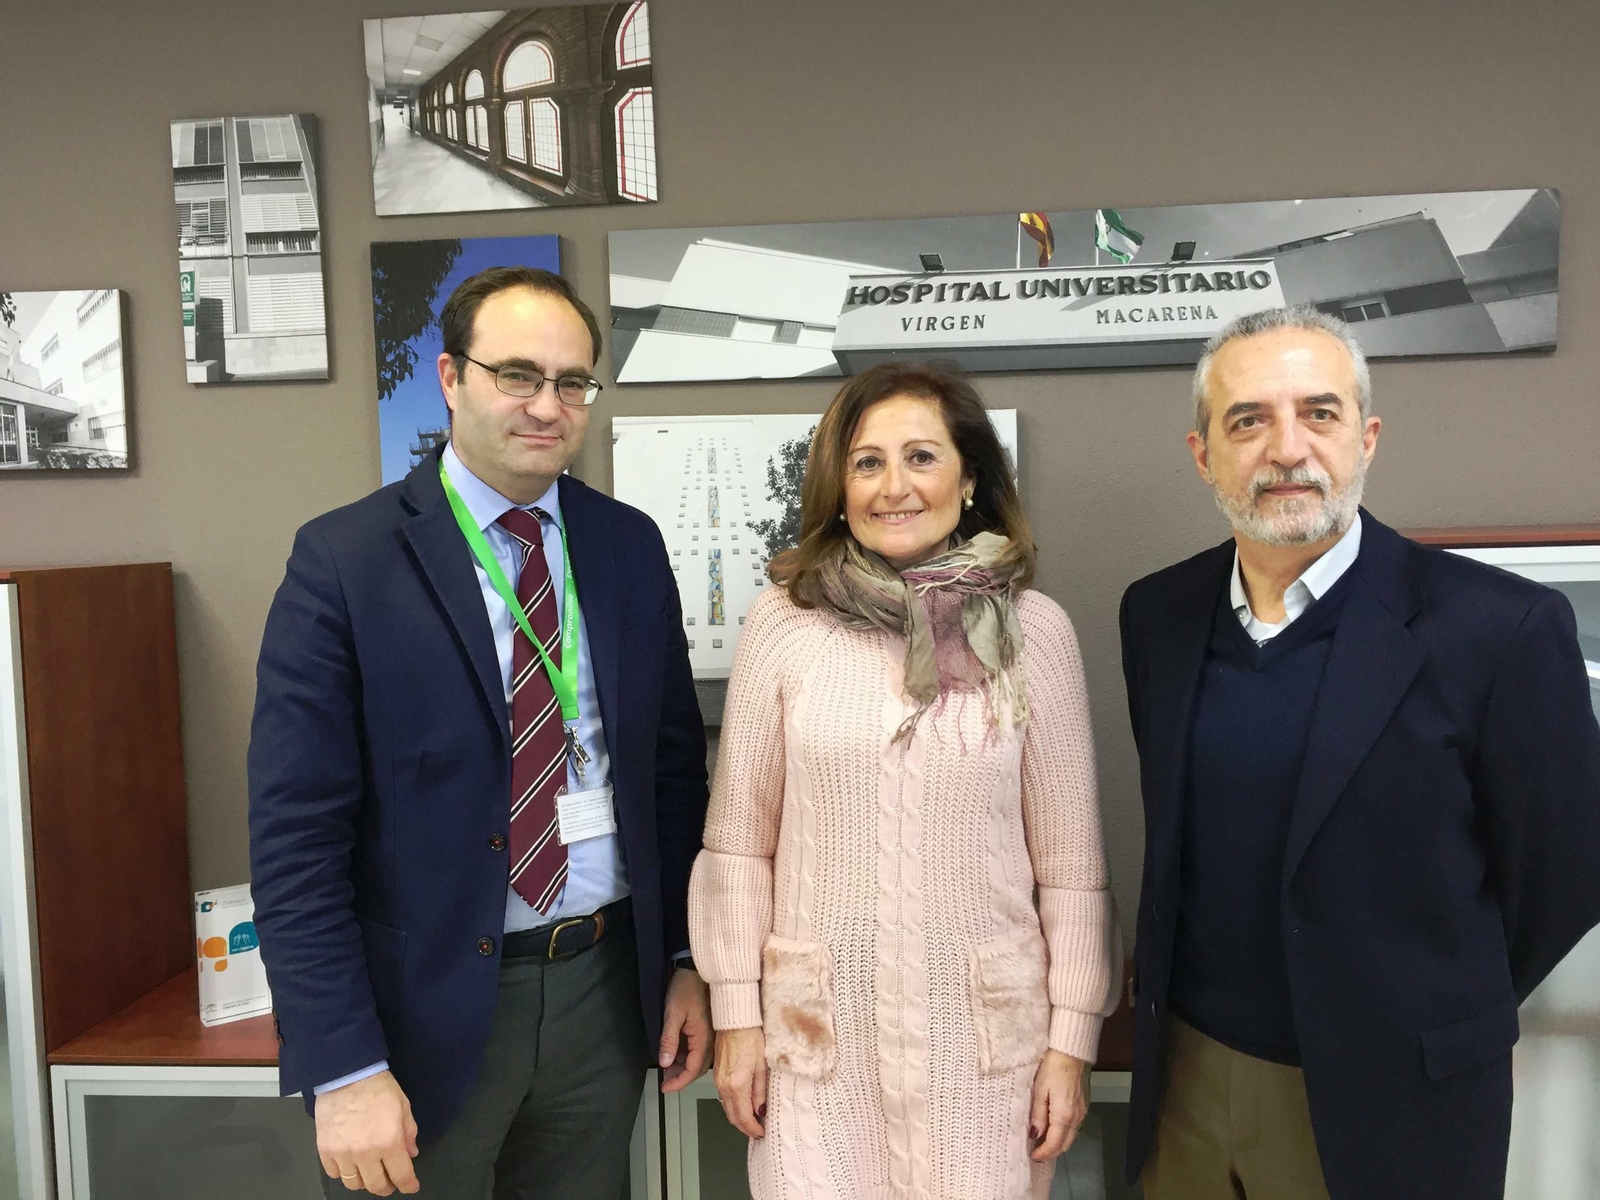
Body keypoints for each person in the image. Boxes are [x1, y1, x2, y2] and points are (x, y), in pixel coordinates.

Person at [248, 266, 712, 1198]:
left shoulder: (627, 546)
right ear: (450, 377)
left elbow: (669, 771)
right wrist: (341, 1067)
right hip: (421, 1016)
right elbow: (296, 837)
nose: (548, 405)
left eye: (572, 381)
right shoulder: (345, 559)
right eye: (517, 375)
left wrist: (686, 960)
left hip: (601, 994)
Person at [1119, 305, 1600, 1199]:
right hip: (1185, 1078)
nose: (1287, 448)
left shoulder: (1498, 629)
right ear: (1203, 454)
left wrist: (1427, 1000)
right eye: (1248, 419)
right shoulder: (1158, 615)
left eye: (1320, 413)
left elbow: (1565, 871)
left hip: (1392, 1099)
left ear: (1367, 437)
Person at [688, 361, 1121, 1199]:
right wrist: (736, 1017)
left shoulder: (1036, 632)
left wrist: (1070, 1044)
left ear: (970, 481)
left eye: (921, 457)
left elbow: (1072, 871)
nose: (894, 486)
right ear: (839, 487)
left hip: (986, 1056)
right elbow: (739, 844)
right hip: (818, 1048)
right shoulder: (785, 623)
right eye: (867, 462)